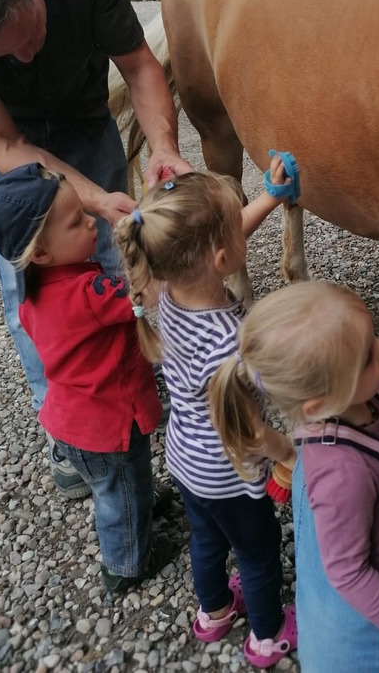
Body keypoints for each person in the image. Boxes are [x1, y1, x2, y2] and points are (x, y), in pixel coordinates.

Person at [0, 0, 192, 498]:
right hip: (8, 145)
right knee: (31, 287)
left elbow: (138, 64)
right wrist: (95, 198)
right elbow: (3, 143)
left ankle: (129, 391)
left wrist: (162, 146)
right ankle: (70, 430)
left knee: (110, 259)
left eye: (30, 37)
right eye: (4, 56)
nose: (25, 60)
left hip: (82, 113)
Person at [209, 263, 379, 672]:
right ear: (319, 404)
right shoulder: (341, 474)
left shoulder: (345, 393)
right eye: (370, 355)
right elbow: (350, 574)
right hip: (371, 648)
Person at [113, 158, 299, 668]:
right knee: (259, 554)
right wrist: (292, 455)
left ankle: (214, 612)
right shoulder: (229, 347)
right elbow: (251, 430)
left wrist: (270, 196)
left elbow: (221, 237)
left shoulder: (165, 293)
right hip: (229, 472)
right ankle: (267, 635)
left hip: (186, 461)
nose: (243, 223)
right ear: (221, 259)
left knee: (207, 539)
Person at [0, 163, 175, 594]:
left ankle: (139, 507)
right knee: (118, 493)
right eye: (77, 222)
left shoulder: (37, 295)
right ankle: (127, 565)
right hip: (105, 426)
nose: (92, 223)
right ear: (41, 253)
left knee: (123, 482)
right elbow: (143, 295)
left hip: (73, 423)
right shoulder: (86, 295)